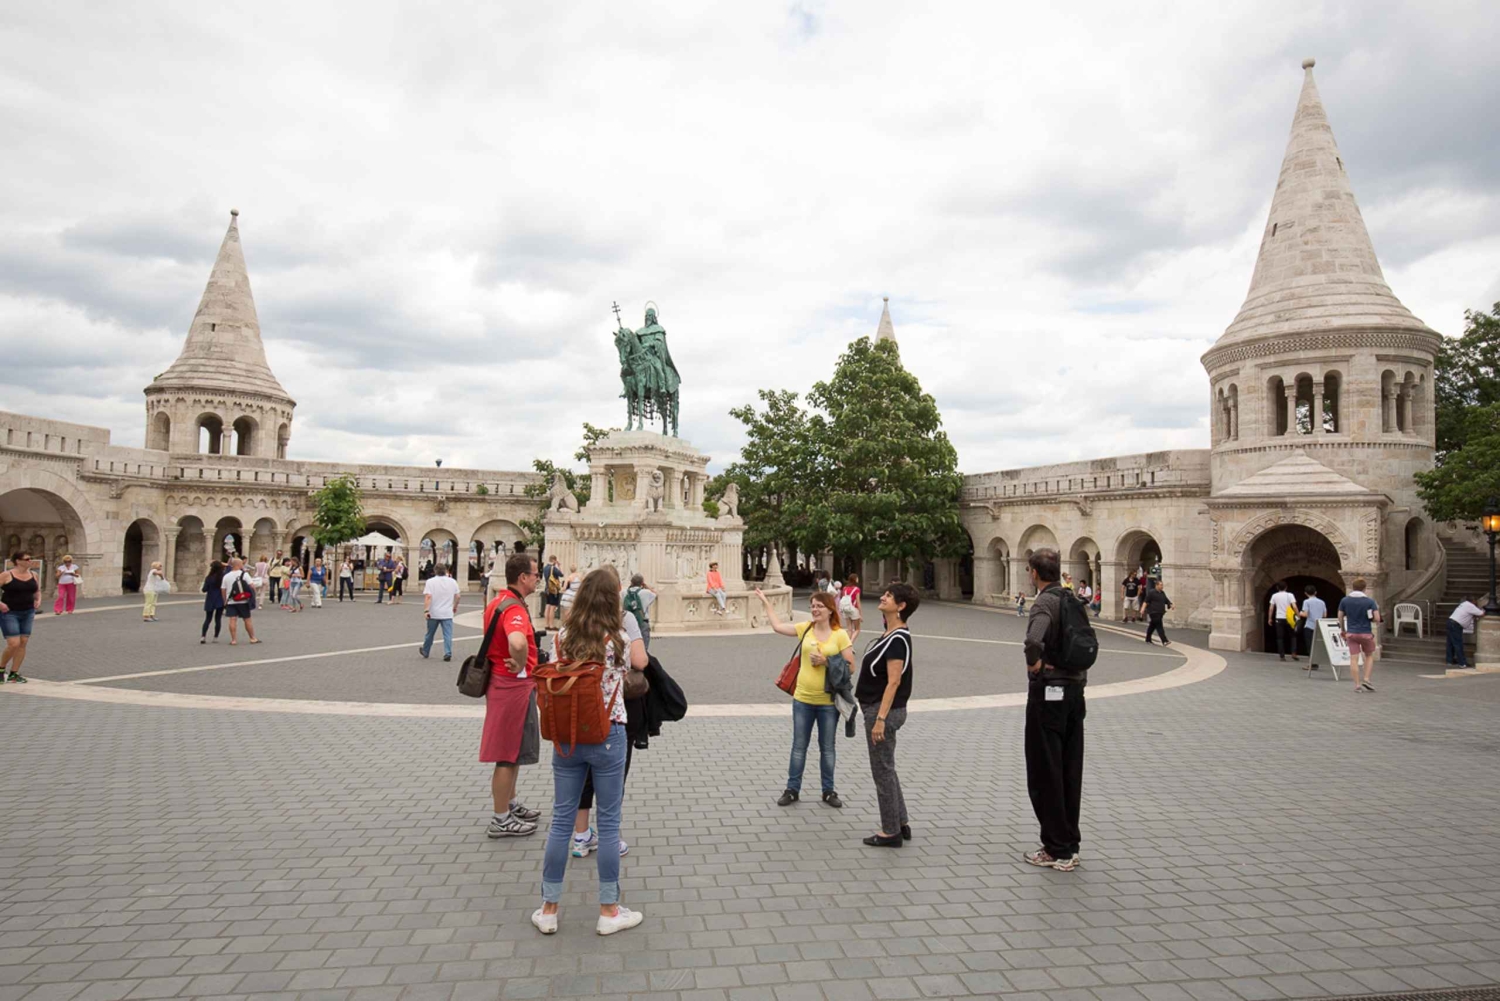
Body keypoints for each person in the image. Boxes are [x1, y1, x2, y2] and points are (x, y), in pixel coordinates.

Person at [532, 565, 647, 937]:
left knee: (562, 820)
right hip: (609, 732)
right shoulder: (617, 639)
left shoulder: (563, 636)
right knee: (610, 823)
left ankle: (549, 908)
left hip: (568, 735)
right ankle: (609, 910)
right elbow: (636, 669)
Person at [568, 567, 649, 859]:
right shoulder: (624, 622)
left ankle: (580, 836)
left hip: (576, 714)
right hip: (613, 715)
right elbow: (639, 661)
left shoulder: (570, 625)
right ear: (617, 592)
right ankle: (609, 839)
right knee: (612, 778)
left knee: (581, 777)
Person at [756, 588, 853, 809]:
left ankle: (828, 791)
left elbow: (851, 666)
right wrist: (765, 602)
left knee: (827, 748)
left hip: (828, 703)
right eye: (813, 605)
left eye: (820, 606)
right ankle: (792, 789)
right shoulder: (805, 629)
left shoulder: (840, 634)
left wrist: (827, 662)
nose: (815, 609)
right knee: (799, 746)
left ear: (830, 610)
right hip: (803, 700)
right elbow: (778, 627)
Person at [1022, 549, 1086, 871]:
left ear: (1034, 573)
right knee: (1069, 769)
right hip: (1075, 692)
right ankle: (1070, 843)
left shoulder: (1045, 601)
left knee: (1045, 770)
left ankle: (1055, 848)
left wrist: (1035, 664)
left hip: (1049, 693)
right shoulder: (1071, 598)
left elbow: (1033, 640)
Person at [479, 552, 545, 838]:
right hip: (512, 686)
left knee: (513, 751)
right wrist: (519, 660)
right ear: (523, 578)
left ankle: (510, 803)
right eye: (535, 574)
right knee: (507, 754)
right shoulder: (515, 609)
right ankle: (501, 818)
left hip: (503, 683)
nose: (537, 578)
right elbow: (516, 640)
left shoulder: (497, 601)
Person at [859, 581, 918, 848]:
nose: (883, 597)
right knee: (887, 768)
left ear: (901, 606)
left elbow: (893, 682)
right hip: (878, 709)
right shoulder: (889, 634)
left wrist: (880, 719)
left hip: (883, 711)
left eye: (889, 595)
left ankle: (890, 831)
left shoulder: (898, 639)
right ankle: (900, 821)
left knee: (881, 771)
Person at [0, 552, 41, 683]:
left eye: (31, 558)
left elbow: (37, 590)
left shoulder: (34, 575)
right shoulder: (6, 575)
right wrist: (0, 604)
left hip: (28, 612)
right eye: (27, 559)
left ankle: (14, 673)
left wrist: (38, 600)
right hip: (10, 612)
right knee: (13, 644)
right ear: (18, 561)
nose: (30, 561)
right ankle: (1, 669)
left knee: (23, 642)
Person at [1338, 579, 1381, 692]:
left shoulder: (1345, 600)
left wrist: (1343, 630)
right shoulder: (1370, 601)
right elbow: (1377, 618)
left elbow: (1340, 616)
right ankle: (1366, 679)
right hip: (1366, 632)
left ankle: (1357, 685)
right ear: (1364, 588)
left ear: (1353, 587)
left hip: (1351, 633)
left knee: (1353, 659)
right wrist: (1372, 619)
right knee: (1369, 655)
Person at [420, 564, 462, 661]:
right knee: (448, 634)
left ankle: (426, 650)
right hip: (447, 612)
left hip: (433, 612)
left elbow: (428, 597)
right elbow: (458, 596)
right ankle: (448, 652)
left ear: (435, 571)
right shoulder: (452, 581)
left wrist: (426, 610)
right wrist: (455, 606)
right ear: (446, 571)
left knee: (430, 634)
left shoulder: (430, 582)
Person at [221, 557, 260, 645]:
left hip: (231, 600)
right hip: (243, 600)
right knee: (247, 619)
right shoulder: (244, 574)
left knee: (232, 619)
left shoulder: (226, 576)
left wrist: (225, 600)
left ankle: (234, 640)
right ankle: (252, 638)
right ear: (239, 565)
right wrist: (253, 596)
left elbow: (223, 589)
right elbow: (252, 586)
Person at [1447, 596, 1486, 668]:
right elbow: (1481, 614)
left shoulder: (1464, 604)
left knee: (1451, 643)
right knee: (1458, 644)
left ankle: (1450, 660)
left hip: (1451, 622)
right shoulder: (1470, 606)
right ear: (1473, 601)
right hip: (1456, 625)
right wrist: (1484, 610)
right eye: (1476, 601)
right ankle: (1462, 663)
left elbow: (1468, 614)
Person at [1296, 584, 1328, 668]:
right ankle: (1315, 663)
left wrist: (1300, 613)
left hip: (1309, 626)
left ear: (1306, 593)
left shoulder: (1306, 602)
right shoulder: (1322, 602)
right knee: (1316, 645)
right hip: (1319, 626)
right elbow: (1324, 615)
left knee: (1310, 646)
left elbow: (1305, 614)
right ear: (1315, 592)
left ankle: (1311, 664)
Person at [621, 574, 656, 650]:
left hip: (627, 622)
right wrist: (645, 586)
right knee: (643, 648)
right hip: (642, 621)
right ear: (642, 583)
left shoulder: (624, 593)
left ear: (631, 582)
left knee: (627, 647)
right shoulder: (646, 593)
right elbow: (654, 594)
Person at [1268, 581, 1299, 662]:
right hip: (1289, 618)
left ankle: (1282, 656)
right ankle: (1293, 652)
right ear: (1286, 587)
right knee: (1293, 636)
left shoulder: (1274, 596)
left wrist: (1269, 618)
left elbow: (1271, 608)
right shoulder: (1290, 595)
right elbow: (1294, 606)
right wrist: (1298, 615)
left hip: (1279, 618)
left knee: (1280, 638)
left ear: (1277, 588)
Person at [200, 560, 225, 644]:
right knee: (218, 619)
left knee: (207, 619)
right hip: (220, 599)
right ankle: (215, 637)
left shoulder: (209, 577)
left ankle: (203, 636)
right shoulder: (222, 577)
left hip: (210, 599)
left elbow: (204, 589)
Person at [1141, 579, 1172, 645]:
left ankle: (1148, 639)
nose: (1162, 586)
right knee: (1159, 625)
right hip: (1153, 611)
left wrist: (1171, 604)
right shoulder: (1152, 592)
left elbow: (1166, 600)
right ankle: (1164, 640)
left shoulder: (1162, 593)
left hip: (1160, 612)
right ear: (1156, 585)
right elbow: (1146, 601)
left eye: (1162, 585)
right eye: (1160, 585)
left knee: (1152, 625)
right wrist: (1143, 609)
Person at [541, 555, 565, 629]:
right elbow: (561, 574)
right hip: (554, 590)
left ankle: (546, 624)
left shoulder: (545, 568)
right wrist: (559, 565)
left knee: (547, 606)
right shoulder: (553, 568)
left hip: (547, 589)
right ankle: (551, 625)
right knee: (552, 607)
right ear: (554, 560)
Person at [840, 573, 863, 641]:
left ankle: (846, 644)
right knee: (857, 629)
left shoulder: (844, 588)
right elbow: (858, 602)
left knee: (849, 629)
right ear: (855, 579)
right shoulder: (856, 589)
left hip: (846, 609)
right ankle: (850, 644)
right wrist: (860, 614)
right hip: (854, 609)